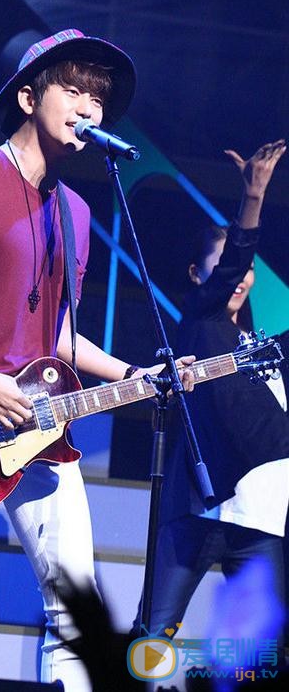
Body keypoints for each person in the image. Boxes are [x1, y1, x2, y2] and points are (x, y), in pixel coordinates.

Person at [0, 28, 194, 691]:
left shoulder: (75, 214)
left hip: (41, 423)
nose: (89, 108)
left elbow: (57, 336)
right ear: (29, 98)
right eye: (75, 90)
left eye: (99, 99)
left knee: (76, 613)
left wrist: (133, 375)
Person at [133, 139, 288, 666]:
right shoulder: (201, 324)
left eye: (246, 269)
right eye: (225, 268)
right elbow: (227, 274)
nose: (239, 277)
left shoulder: (268, 347)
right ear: (197, 276)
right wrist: (254, 199)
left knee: (258, 661)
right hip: (200, 513)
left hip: (262, 524)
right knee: (150, 644)